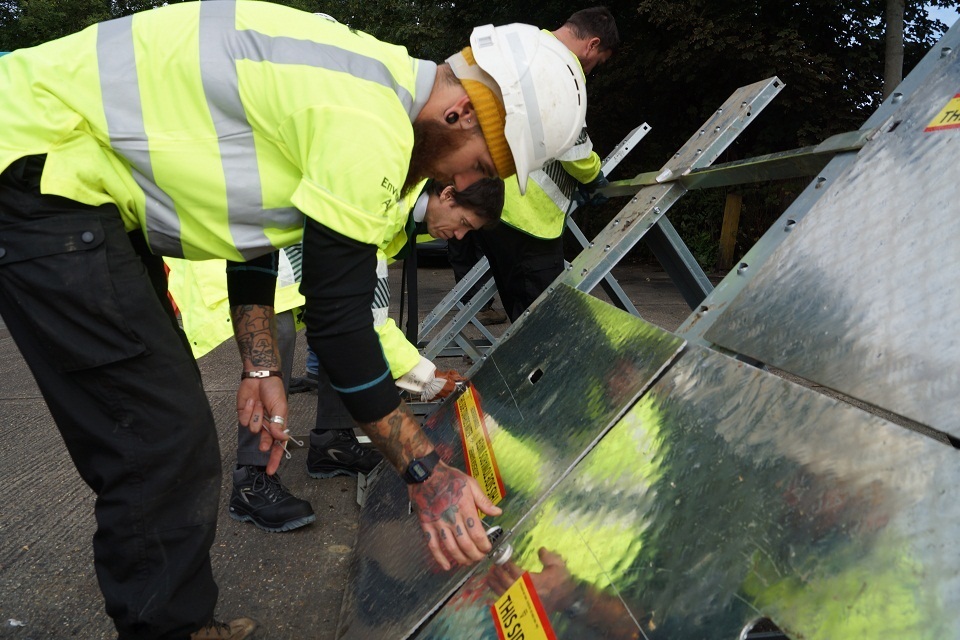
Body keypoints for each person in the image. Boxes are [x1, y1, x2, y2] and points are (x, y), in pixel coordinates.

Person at [0, 2, 587, 636]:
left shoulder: (368, 80)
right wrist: (423, 469)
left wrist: (260, 364)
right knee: (156, 437)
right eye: (477, 164)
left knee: (166, 431)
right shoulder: (371, 127)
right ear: (461, 112)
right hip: (42, 171)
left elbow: (252, 227)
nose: (459, 180)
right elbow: (339, 323)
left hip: (59, 167)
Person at [171, 178, 504, 534]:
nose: (458, 237)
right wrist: (427, 378)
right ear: (447, 194)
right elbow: (368, 325)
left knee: (335, 332)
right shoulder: (382, 206)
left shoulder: (403, 210)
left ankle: (332, 441)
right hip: (251, 256)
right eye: (464, 223)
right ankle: (251, 479)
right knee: (277, 336)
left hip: (283, 255)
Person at [450, 7, 620, 322]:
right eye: (598, 62)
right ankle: (546, 374)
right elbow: (573, 144)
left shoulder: (522, 44)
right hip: (528, 217)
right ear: (592, 45)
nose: (593, 69)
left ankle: (521, 372)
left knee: (522, 316)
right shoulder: (561, 67)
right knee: (542, 325)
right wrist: (595, 177)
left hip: (490, 201)